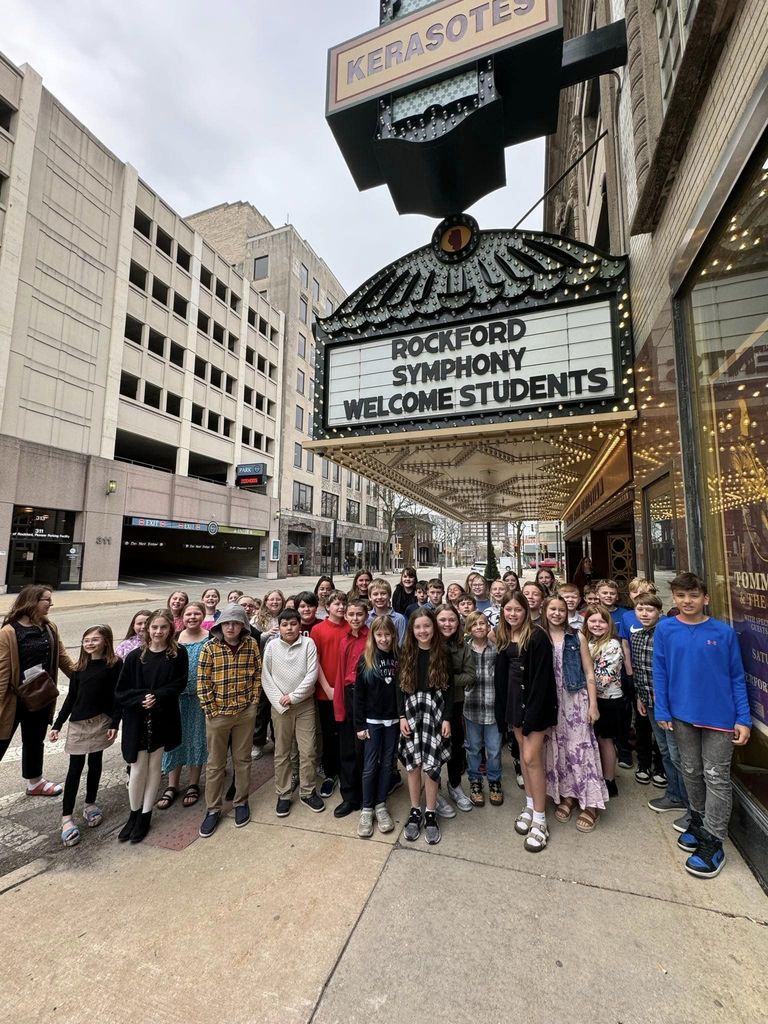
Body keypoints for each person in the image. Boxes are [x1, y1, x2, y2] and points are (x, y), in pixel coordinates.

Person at [653, 572, 751, 878]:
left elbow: (737, 677)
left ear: (705, 598)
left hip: (720, 719)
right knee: (691, 771)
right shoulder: (665, 629)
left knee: (716, 775)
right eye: (681, 596)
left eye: (693, 595)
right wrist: (662, 710)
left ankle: (714, 840)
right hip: (682, 716)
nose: (687, 601)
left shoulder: (723, 633)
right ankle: (697, 820)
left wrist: (743, 718)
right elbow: (660, 670)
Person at [114, 608, 187, 844]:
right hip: (137, 718)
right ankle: (133, 813)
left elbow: (179, 683)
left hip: (162, 715)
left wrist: (157, 696)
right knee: (136, 767)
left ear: (170, 630)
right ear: (147, 630)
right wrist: (141, 698)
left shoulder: (177, 654)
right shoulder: (136, 656)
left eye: (163, 627)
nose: (158, 632)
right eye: (154, 627)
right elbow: (121, 690)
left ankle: (146, 814)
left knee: (155, 765)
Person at [495, 591, 557, 852]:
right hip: (513, 703)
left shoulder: (538, 637)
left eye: (517, 610)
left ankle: (541, 820)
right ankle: (530, 805)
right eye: (508, 610)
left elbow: (543, 681)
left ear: (526, 611)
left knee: (532, 760)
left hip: (534, 706)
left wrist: (532, 714)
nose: (512, 614)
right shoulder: (503, 635)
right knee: (523, 757)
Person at [49, 625, 121, 847]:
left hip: (101, 721)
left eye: (95, 640)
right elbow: (71, 699)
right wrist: (57, 725)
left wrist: (114, 722)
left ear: (106, 641)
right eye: (86, 640)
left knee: (96, 763)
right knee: (74, 769)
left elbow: (117, 696)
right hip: (79, 724)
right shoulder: (79, 667)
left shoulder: (114, 665)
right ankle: (66, 818)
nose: (89, 643)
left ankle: (90, 803)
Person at [0, 584, 74, 797]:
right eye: (46, 599)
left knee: (34, 741)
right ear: (33, 601)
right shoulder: (9, 632)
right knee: (1, 740)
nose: (51, 604)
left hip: (40, 695)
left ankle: (35, 783)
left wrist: (82, 679)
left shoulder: (49, 627)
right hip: (14, 699)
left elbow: (62, 659)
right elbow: (3, 673)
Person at [541, 596, 606, 833]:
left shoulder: (576, 636)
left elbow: (589, 671)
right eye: (552, 609)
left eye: (561, 609)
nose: (557, 613)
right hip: (551, 701)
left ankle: (590, 803)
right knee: (558, 748)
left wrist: (593, 704)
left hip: (574, 698)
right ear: (545, 611)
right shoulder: (540, 636)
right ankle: (567, 794)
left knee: (580, 748)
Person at [196, 604, 262, 838]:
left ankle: (241, 801)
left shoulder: (251, 645)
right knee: (215, 764)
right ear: (219, 625)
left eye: (235, 623)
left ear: (243, 625)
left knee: (242, 759)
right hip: (218, 714)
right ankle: (213, 809)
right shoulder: (210, 648)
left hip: (244, 712)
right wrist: (210, 709)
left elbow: (257, 673)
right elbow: (202, 681)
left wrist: (254, 702)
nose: (231, 627)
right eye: (226, 623)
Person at [629, 592, 688, 819]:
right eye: (640, 609)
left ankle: (687, 799)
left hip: (670, 704)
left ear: (659, 612)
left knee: (677, 752)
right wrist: (640, 697)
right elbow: (639, 671)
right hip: (650, 703)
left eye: (650, 610)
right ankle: (674, 793)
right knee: (664, 749)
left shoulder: (667, 635)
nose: (644, 614)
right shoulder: (636, 636)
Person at [261, 609, 323, 817]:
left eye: (293, 624)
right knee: (282, 752)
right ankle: (284, 793)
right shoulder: (271, 646)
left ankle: (307, 791)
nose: (289, 628)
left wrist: (294, 697)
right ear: (279, 626)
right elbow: (266, 676)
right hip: (280, 707)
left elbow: (312, 673)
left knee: (308, 750)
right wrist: (280, 701)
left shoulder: (308, 644)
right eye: (285, 624)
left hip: (304, 705)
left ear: (299, 625)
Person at [398, 609, 453, 846]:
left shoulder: (442, 652)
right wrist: (401, 716)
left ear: (434, 628)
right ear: (412, 630)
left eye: (427, 626)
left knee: (432, 766)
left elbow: (450, 690)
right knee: (413, 765)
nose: (423, 631)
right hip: (411, 711)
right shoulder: (405, 653)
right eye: (418, 627)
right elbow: (399, 688)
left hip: (435, 712)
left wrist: (447, 718)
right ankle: (415, 809)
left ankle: (431, 811)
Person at [156, 602, 209, 810]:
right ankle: (172, 785)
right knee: (174, 740)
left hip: (199, 698)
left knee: (197, 737)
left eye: (197, 613)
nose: (192, 617)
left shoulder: (210, 638)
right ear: (183, 616)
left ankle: (194, 783)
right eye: (189, 613)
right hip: (174, 699)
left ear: (203, 616)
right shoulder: (174, 638)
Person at [354, 616, 400, 838]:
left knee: (387, 764)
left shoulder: (399, 657)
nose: (383, 639)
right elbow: (359, 697)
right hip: (372, 722)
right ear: (373, 636)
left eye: (387, 634)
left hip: (393, 721)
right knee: (370, 765)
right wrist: (360, 724)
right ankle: (366, 808)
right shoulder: (366, 660)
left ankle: (381, 805)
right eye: (379, 635)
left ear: (393, 635)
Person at [620, 580, 665, 786]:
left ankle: (661, 766)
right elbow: (626, 647)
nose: (641, 595)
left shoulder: (664, 625)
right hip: (639, 679)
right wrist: (630, 673)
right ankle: (644, 763)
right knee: (642, 724)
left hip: (659, 683)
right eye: (637, 593)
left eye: (646, 592)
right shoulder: (628, 617)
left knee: (663, 731)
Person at [435, 604, 475, 814]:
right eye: (442, 620)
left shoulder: (463, 646)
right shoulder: (427, 643)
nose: (447, 624)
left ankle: (454, 784)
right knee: (435, 747)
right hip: (432, 705)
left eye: (451, 620)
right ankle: (436, 790)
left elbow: (470, 675)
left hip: (456, 703)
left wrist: (448, 680)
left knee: (456, 745)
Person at [334, 599, 370, 818]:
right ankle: (349, 796)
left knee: (364, 750)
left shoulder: (372, 638)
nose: (355, 618)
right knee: (347, 749)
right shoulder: (344, 640)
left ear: (366, 615)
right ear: (345, 616)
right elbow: (340, 673)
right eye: (351, 614)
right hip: (349, 693)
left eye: (359, 614)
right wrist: (340, 705)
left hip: (366, 696)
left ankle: (368, 795)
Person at [311, 589, 348, 799]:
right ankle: (330, 773)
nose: (341, 607)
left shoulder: (351, 627)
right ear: (328, 607)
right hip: (327, 692)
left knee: (345, 734)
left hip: (346, 691)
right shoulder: (318, 630)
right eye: (336, 604)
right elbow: (315, 661)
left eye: (343, 603)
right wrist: (326, 687)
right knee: (329, 734)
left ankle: (345, 771)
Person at [584, 605, 624, 798]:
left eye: (601, 621)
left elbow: (604, 677)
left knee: (605, 740)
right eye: (592, 621)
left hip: (608, 699)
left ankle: (609, 779)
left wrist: (583, 688)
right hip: (591, 699)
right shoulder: (588, 642)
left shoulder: (612, 645)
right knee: (594, 739)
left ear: (608, 624)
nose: (597, 625)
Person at [464, 611, 501, 808]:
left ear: (488, 627)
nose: (479, 627)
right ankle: (475, 780)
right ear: (468, 629)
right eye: (474, 624)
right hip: (472, 707)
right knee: (473, 747)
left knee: (494, 749)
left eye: (482, 623)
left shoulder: (496, 649)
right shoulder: (465, 650)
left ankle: (494, 781)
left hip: (493, 708)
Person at [367, 578, 407, 643]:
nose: (379, 597)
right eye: (375, 594)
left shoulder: (399, 619)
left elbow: (401, 644)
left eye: (383, 593)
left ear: (389, 596)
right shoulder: (367, 618)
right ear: (369, 597)